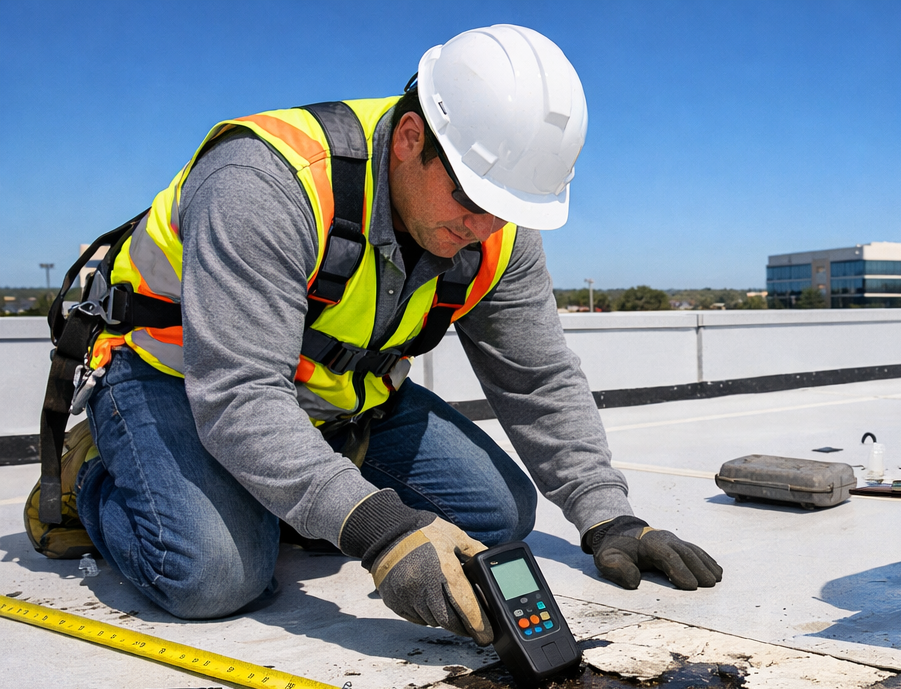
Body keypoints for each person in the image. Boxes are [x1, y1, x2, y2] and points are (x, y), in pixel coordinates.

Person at [29, 24, 720, 646]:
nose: (483, 228)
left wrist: (608, 517)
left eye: (504, 209)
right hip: (173, 380)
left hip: (337, 404)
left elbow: (537, 378)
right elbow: (240, 392)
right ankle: (101, 471)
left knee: (499, 517)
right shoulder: (268, 182)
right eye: (471, 200)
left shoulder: (497, 230)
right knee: (216, 576)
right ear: (413, 138)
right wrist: (376, 528)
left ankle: (294, 484)